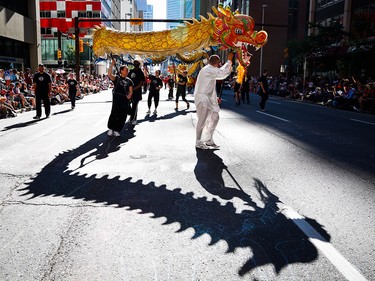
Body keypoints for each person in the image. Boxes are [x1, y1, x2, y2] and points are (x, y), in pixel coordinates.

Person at [194, 52, 234, 149]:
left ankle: (208, 139)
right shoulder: (208, 70)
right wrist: (229, 60)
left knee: (215, 117)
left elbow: (218, 73)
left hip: (209, 99)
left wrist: (215, 98)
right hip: (203, 98)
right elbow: (222, 73)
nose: (219, 65)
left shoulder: (210, 69)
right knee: (202, 121)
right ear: (217, 63)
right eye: (219, 64)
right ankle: (198, 142)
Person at [107, 59, 133, 137]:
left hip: (125, 99)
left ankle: (117, 129)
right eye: (125, 70)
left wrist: (129, 95)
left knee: (123, 115)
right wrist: (112, 64)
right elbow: (109, 74)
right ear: (121, 71)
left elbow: (131, 91)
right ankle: (111, 128)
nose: (127, 71)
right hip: (117, 98)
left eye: (127, 70)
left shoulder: (129, 81)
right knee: (114, 113)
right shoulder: (117, 78)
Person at [128, 59, 145, 125]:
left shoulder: (140, 72)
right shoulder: (131, 71)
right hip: (129, 91)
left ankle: (134, 119)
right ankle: (132, 115)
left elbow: (141, 83)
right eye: (134, 62)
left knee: (135, 105)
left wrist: (134, 89)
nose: (135, 63)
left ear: (139, 63)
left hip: (137, 91)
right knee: (127, 105)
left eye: (136, 62)